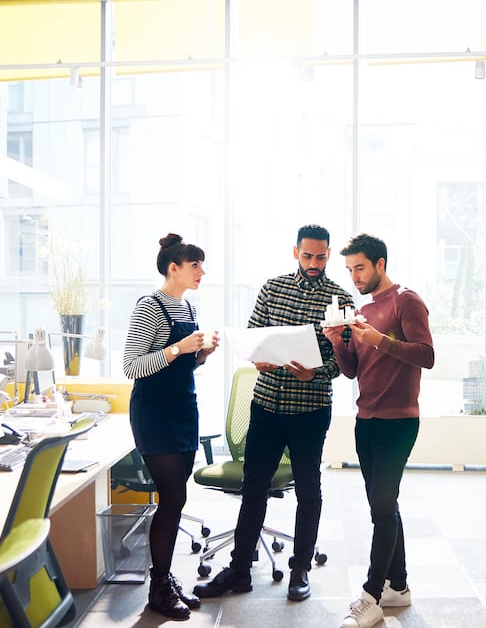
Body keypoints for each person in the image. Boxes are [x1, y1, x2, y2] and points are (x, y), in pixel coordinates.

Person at [194, 224, 355, 602]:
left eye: (320, 256)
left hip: (310, 409)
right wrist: (259, 358)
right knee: (254, 487)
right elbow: (253, 337)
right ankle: (239, 571)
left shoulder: (340, 298)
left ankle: (300, 569)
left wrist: (317, 371)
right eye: (307, 256)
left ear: (329, 254)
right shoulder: (272, 288)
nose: (313, 263)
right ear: (295, 252)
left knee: (309, 489)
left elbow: (346, 361)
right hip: (266, 403)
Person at [322, 234, 434, 628]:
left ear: (380, 264)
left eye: (360, 268)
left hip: (399, 421)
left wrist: (380, 340)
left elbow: (427, 355)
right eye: (349, 269)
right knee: (382, 507)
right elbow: (353, 369)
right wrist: (341, 343)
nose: (354, 276)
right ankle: (398, 587)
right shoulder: (363, 308)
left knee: (383, 508)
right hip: (365, 419)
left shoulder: (406, 300)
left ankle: (370, 597)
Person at [121, 233, 219, 621]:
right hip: (155, 414)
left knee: (177, 500)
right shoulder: (149, 308)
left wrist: (201, 354)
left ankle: (165, 578)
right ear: (174, 268)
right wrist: (179, 348)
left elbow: (182, 366)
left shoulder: (188, 308)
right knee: (172, 500)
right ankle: (158, 586)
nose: (202, 272)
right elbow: (132, 366)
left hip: (184, 409)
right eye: (196, 265)